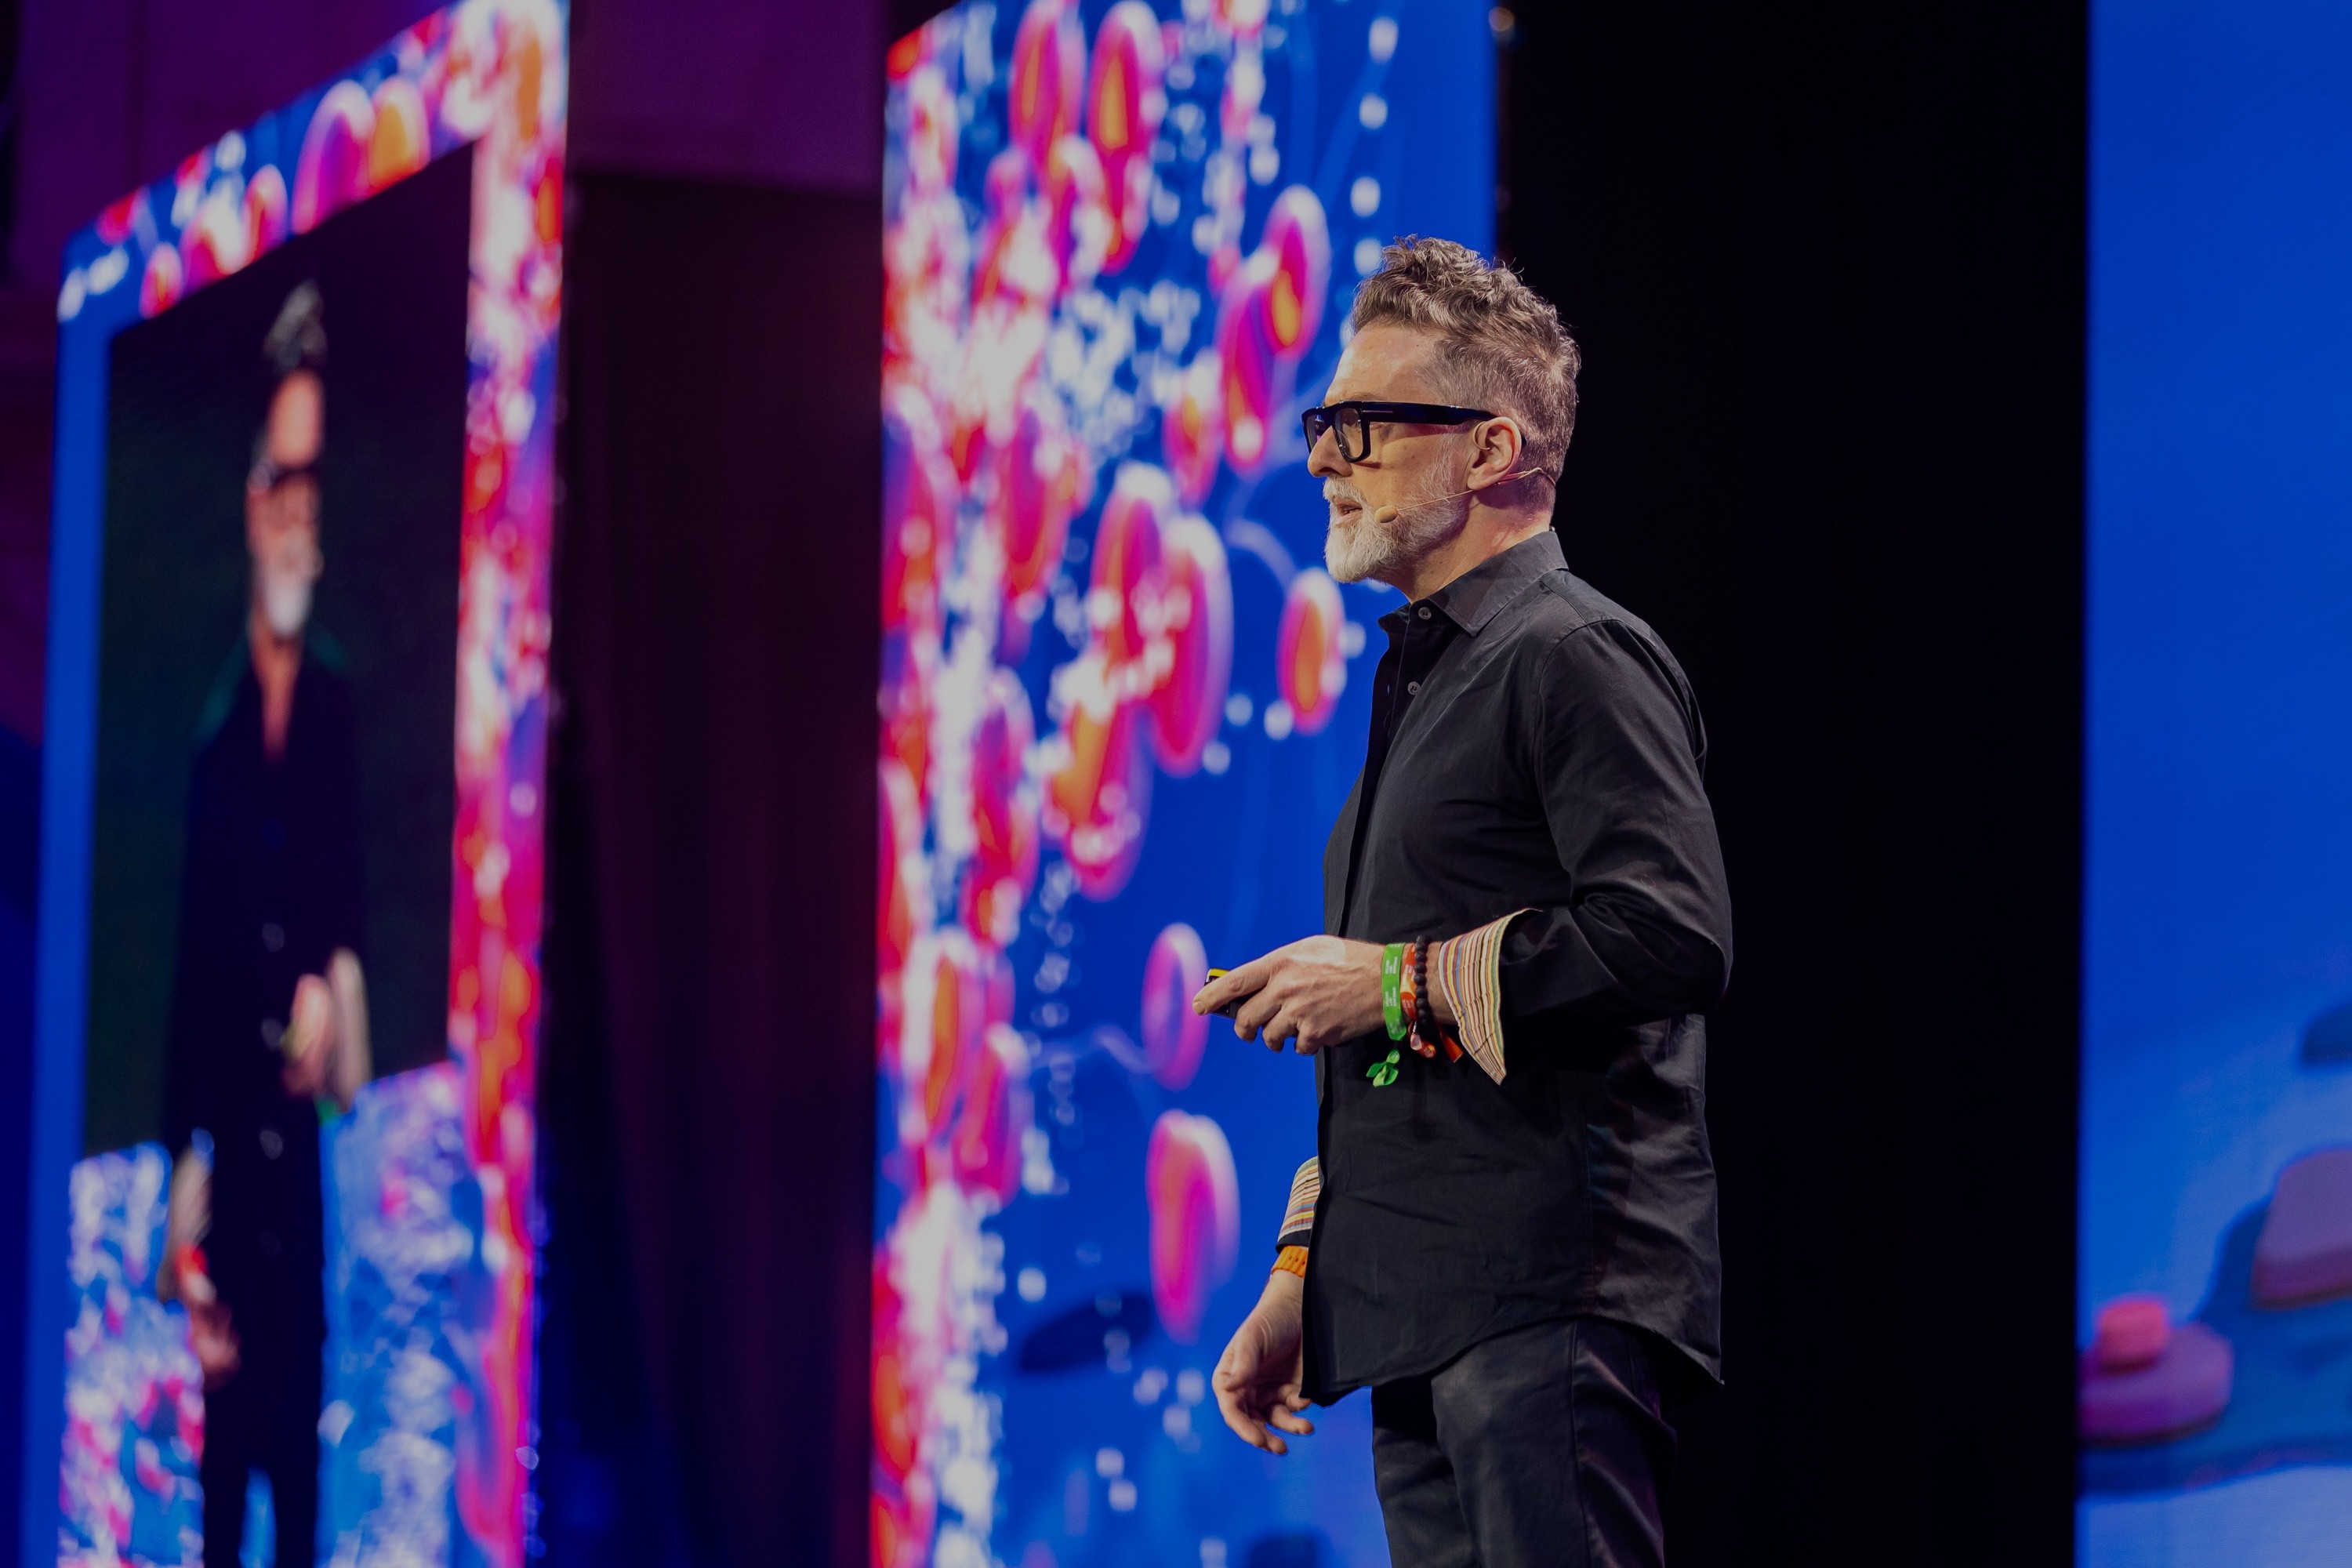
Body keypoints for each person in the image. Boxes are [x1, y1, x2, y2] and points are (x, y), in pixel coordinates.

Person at [1196, 238, 1732, 1567]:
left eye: (1363, 424)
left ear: (1492, 450)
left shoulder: (1572, 652)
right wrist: (1298, 1283)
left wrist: (1381, 982)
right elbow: (1399, 1051)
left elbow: (1672, 930)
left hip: (1548, 1290)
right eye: (1324, 423)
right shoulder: (1433, 686)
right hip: (1421, 1313)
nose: (1325, 457)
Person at [158, 281, 372, 1568]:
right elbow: (190, 964)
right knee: (231, 1453)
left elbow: (350, 909)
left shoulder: (335, 708)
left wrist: (338, 999)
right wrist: (184, 1178)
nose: (298, 530)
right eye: (280, 499)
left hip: (305, 1143)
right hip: (234, 1148)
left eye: (315, 506)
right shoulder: (214, 737)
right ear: (252, 508)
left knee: (298, 1455)